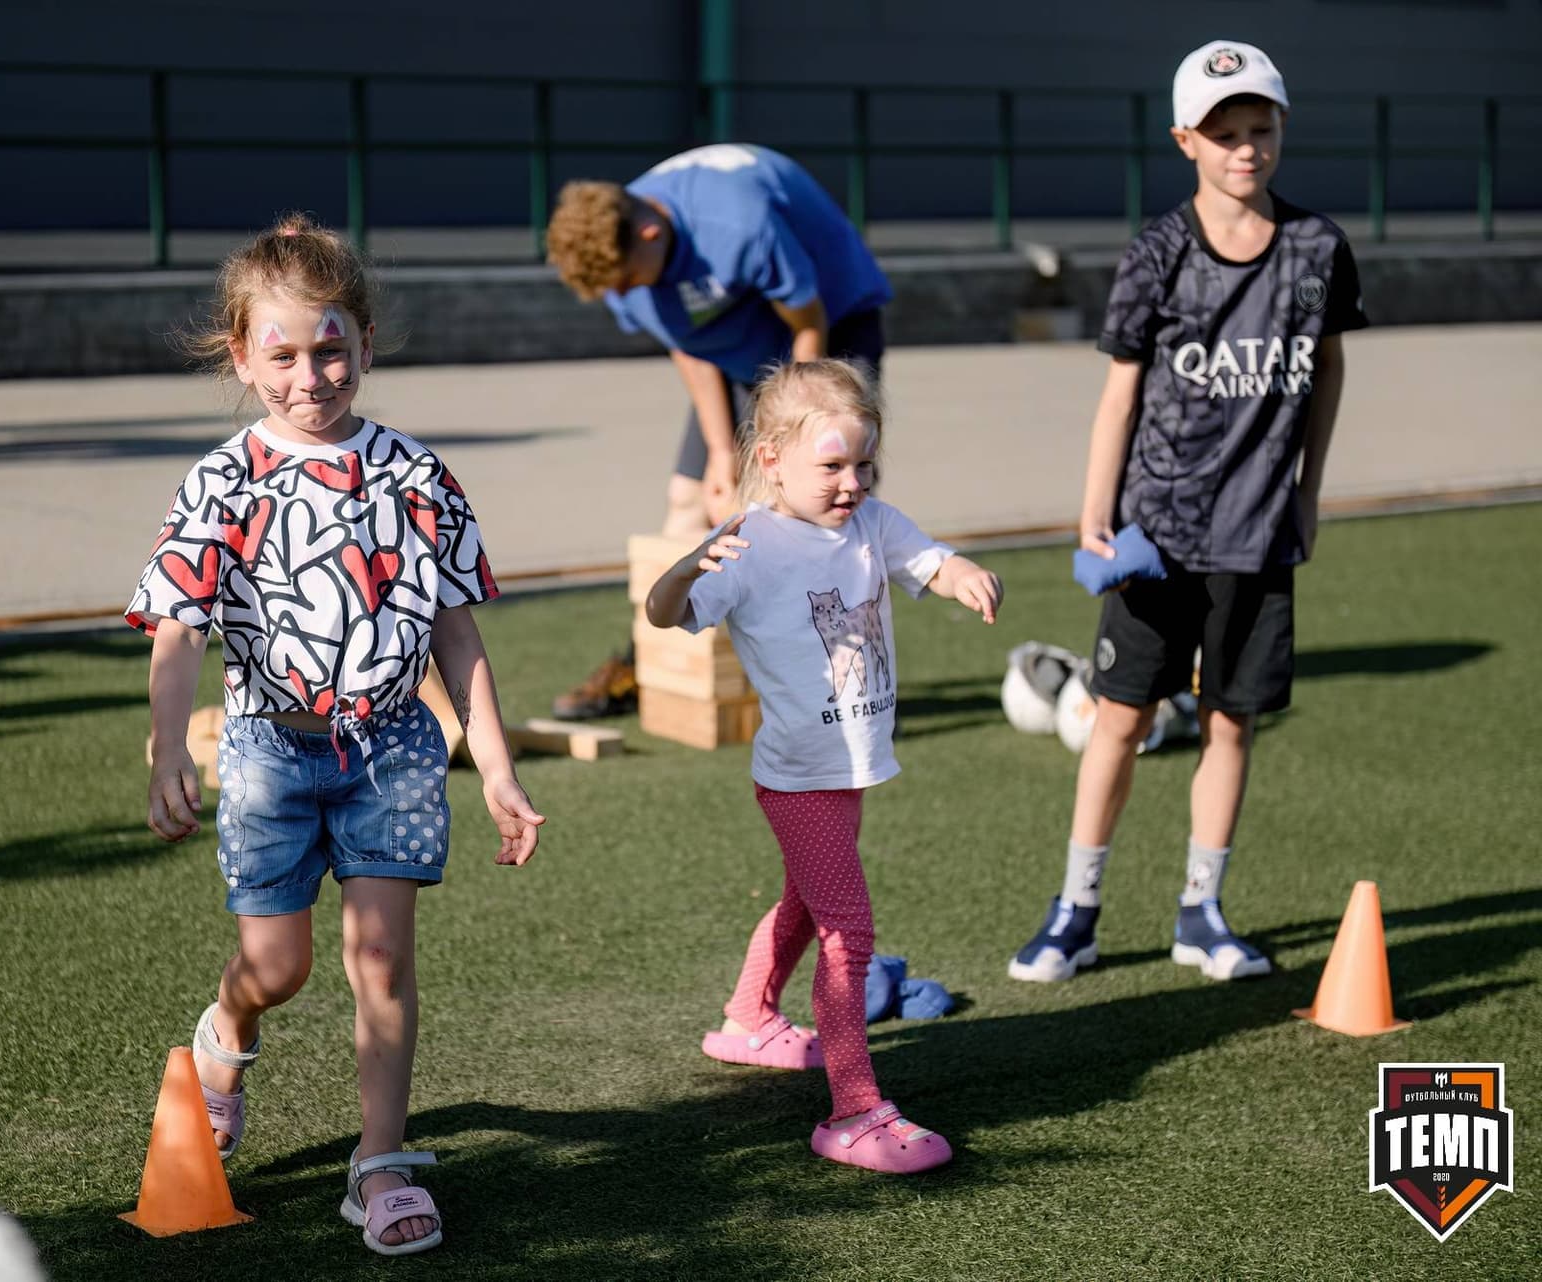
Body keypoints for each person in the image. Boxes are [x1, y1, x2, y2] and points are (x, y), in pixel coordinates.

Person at [129, 215, 546, 1257]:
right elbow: (179, 628)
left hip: (393, 748)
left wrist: (495, 766)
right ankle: (227, 1032)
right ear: (241, 357)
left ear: (363, 340)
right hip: (270, 752)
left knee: (382, 963)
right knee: (278, 966)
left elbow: (457, 631)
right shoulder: (223, 479)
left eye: (329, 349)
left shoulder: (417, 474)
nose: (310, 377)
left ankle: (381, 1165)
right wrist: (169, 746)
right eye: (282, 357)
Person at [1008, 41, 1365, 985]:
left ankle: (1202, 914)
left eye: (1260, 128)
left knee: (1231, 724)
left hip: (1260, 535)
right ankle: (1076, 913)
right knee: (1119, 720)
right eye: (1224, 133)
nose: (1245, 148)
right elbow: (1119, 396)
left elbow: (1328, 370)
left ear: (1281, 128)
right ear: (1185, 141)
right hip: (1157, 536)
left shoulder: (1319, 248)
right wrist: (1094, 514)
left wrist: (1310, 493)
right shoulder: (1158, 253)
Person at [645, 359, 1003, 1173]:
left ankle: (748, 1018)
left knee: (807, 905)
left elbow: (931, 560)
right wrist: (682, 569)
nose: (853, 483)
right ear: (771, 458)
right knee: (850, 930)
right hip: (798, 777)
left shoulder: (873, 523)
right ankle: (854, 1111)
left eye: (863, 464)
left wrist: (965, 576)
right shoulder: (748, 544)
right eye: (833, 465)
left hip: (848, 766)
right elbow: (665, 613)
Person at [544, 143, 893, 717]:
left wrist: (796, 439)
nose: (625, 297)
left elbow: (809, 324)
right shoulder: (623, 260)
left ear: (651, 232)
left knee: (822, 502)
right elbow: (689, 343)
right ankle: (652, 666)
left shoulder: (737, 224)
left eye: (628, 281)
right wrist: (719, 451)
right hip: (736, 344)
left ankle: (857, 689)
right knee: (689, 500)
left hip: (829, 325)